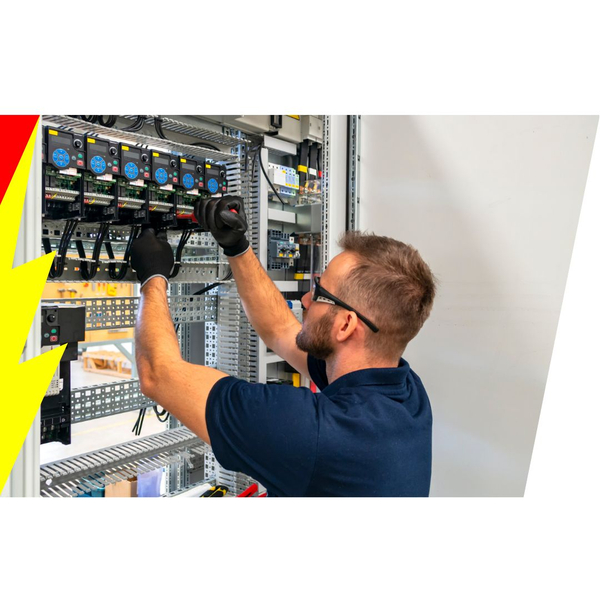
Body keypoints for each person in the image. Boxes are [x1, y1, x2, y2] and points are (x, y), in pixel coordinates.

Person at [131, 196, 437, 496]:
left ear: (345, 325)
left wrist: (152, 277)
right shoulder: (407, 394)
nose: (305, 300)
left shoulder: (316, 433)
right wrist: (237, 246)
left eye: (319, 293)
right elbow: (281, 329)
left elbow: (157, 374)